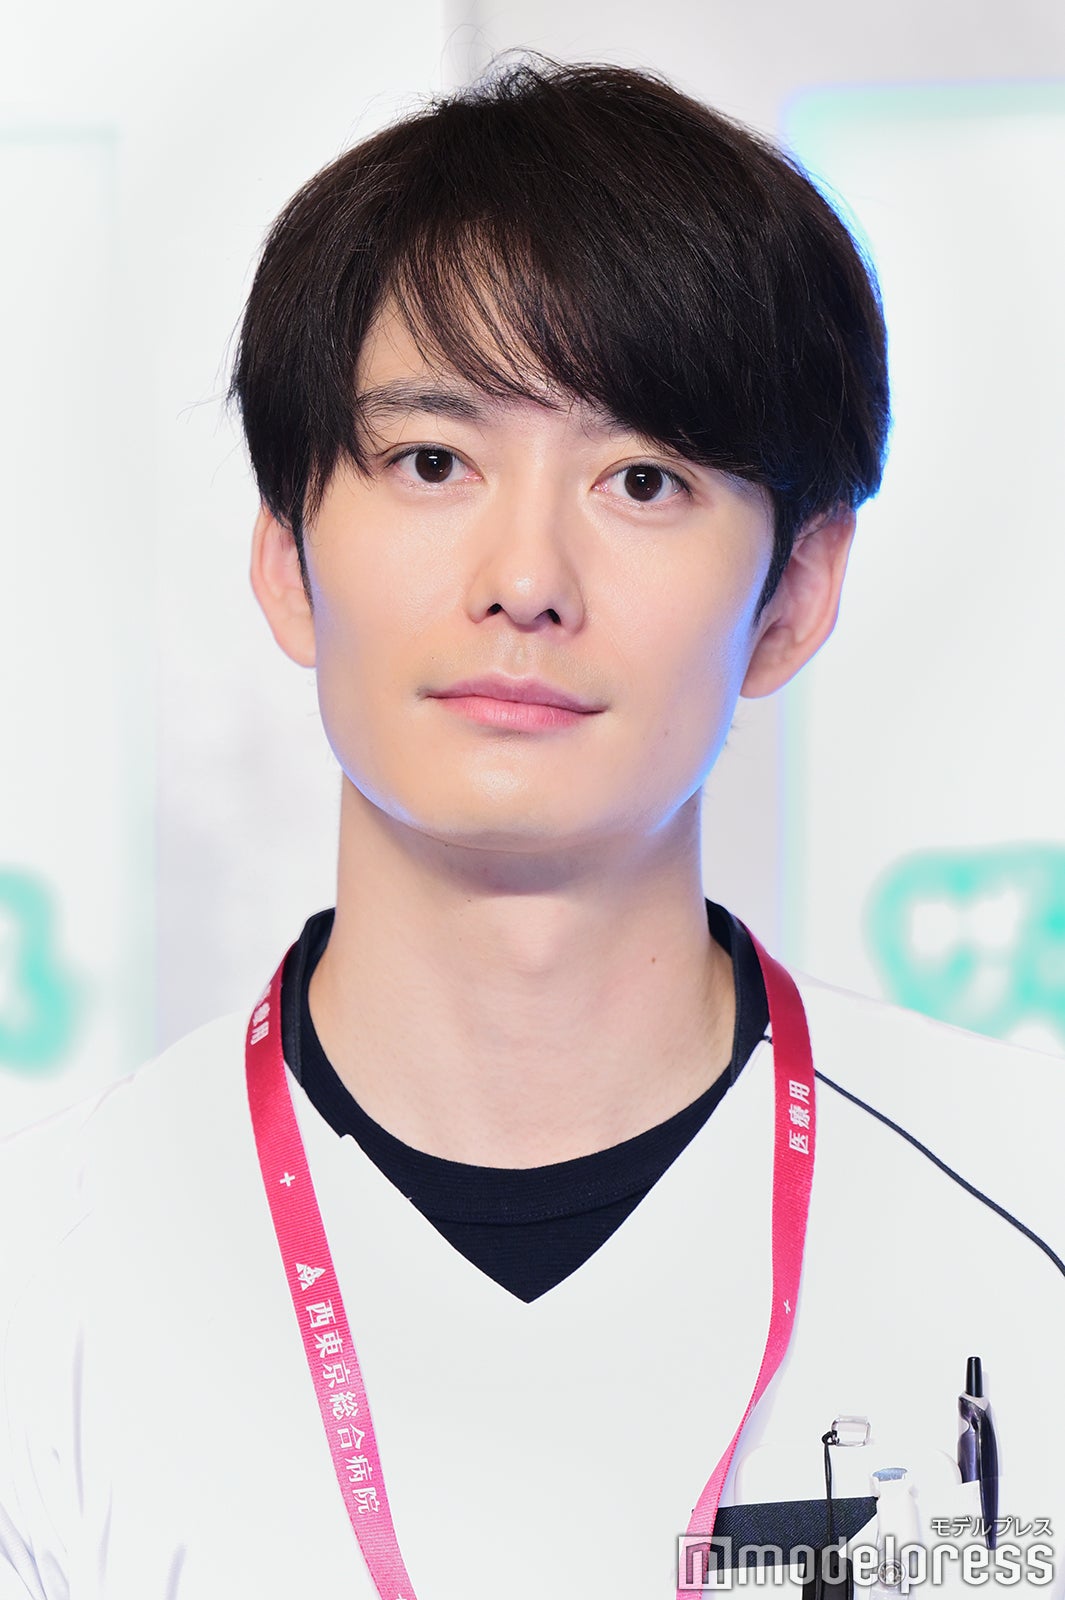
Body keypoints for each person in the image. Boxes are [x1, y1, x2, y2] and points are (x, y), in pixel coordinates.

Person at [1, 56, 1062, 1600]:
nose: (525, 580)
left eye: (642, 480)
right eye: (432, 463)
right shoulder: (44, 1288)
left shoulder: (1026, 1217)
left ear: (794, 595)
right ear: (288, 560)